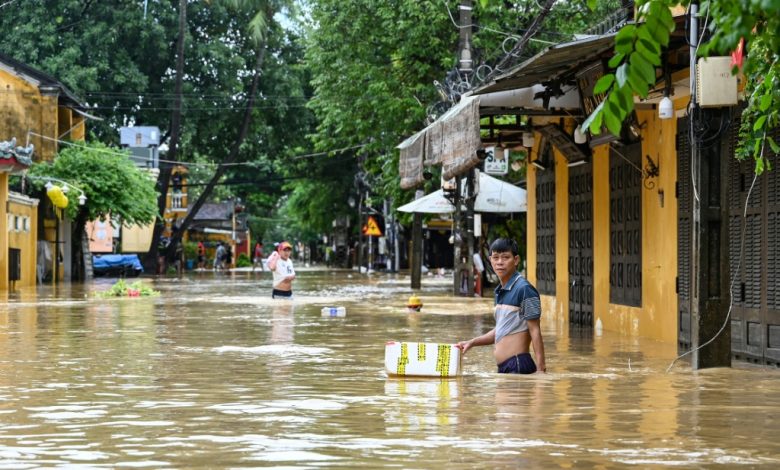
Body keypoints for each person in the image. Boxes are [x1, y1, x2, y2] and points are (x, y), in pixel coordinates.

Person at [456, 238, 546, 374]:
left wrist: (541, 370)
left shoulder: (525, 289)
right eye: (495, 257)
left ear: (516, 260)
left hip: (517, 364)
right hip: (506, 367)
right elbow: (501, 331)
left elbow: (535, 330)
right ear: (490, 260)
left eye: (505, 257)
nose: (499, 262)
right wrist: (472, 342)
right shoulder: (499, 291)